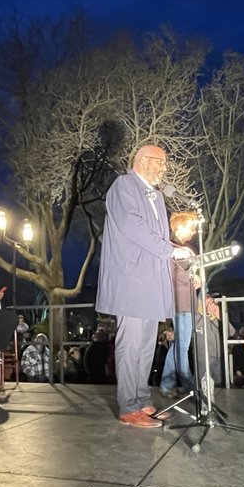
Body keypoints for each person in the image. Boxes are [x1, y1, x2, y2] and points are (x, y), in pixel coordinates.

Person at [96, 145, 192, 428]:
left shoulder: (157, 196)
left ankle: (141, 401)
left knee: (146, 346)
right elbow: (133, 227)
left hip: (152, 283)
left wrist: (176, 250)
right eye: (161, 162)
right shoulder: (124, 185)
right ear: (142, 161)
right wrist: (170, 250)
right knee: (131, 344)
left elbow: (155, 237)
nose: (164, 168)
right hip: (131, 281)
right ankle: (128, 407)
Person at [159, 210, 199, 398]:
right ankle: (189, 385)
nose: (194, 232)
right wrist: (193, 276)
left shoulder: (182, 249)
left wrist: (196, 277)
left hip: (186, 303)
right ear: (180, 226)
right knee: (182, 347)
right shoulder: (172, 249)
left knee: (179, 346)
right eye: (191, 227)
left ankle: (167, 385)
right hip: (181, 304)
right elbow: (172, 277)